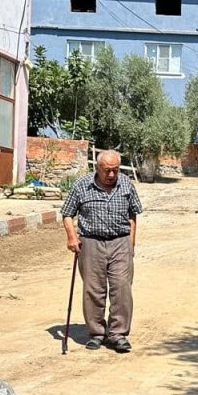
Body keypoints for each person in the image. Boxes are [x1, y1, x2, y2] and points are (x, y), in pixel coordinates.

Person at [61, 150, 142, 353]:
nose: (112, 175)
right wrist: (72, 236)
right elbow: (67, 214)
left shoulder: (126, 184)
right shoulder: (82, 185)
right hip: (91, 243)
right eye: (107, 170)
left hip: (120, 242)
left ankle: (118, 334)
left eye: (115, 170)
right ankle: (96, 333)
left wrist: (131, 242)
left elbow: (133, 214)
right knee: (93, 290)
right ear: (97, 168)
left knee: (122, 288)